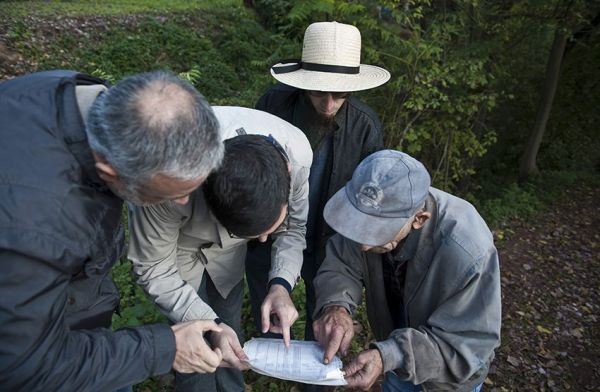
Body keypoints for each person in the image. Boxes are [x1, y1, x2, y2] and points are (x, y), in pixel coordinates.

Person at [0, 70, 226, 390]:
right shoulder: (35, 229)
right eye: (167, 193)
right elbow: (26, 365)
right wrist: (164, 349)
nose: (184, 201)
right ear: (110, 170)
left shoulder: (83, 99)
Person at [127, 106, 312, 392]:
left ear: (286, 173)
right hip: (177, 248)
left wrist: (280, 285)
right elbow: (154, 267)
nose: (264, 240)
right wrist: (208, 324)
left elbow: (295, 229)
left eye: (269, 228)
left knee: (229, 323)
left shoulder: (297, 156)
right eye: (253, 233)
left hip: (228, 257)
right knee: (199, 343)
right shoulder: (164, 177)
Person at [246, 21, 391, 345]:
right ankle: (271, 361)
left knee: (323, 326)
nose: (328, 104)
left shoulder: (365, 127)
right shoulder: (274, 105)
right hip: (270, 234)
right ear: (302, 84)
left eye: (339, 95)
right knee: (268, 316)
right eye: (317, 92)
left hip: (330, 243)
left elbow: (370, 199)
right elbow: (250, 166)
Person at [312, 150, 501, 391]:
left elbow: (467, 346)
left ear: (419, 219)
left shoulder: (468, 249)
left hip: (450, 380)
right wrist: (336, 305)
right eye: (361, 226)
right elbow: (341, 262)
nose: (364, 244)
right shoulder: (366, 210)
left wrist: (389, 355)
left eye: (377, 231)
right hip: (397, 361)